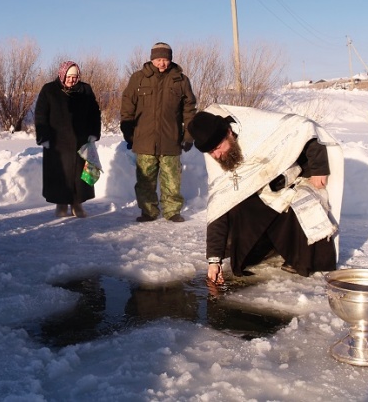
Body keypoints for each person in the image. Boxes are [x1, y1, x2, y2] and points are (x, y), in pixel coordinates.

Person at [186, 104, 344, 283]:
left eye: (218, 147)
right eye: (211, 152)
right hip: (258, 198)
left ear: (229, 132)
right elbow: (219, 207)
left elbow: (305, 129)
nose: (217, 155)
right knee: (237, 210)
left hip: (289, 183)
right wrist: (214, 260)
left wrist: (319, 169)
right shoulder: (217, 159)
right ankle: (264, 251)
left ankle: (297, 256)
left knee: (305, 209)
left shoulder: (258, 127)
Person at [120, 42, 197, 222]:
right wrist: (127, 130)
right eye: (158, 59)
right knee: (145, 178)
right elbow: (127, 106)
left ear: (170, 59)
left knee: (172, 179)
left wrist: (188, 135)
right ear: (152, 59)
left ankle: (172, 211)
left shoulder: (181, 80)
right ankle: (148, 211)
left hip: (171, 138)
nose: (162, 63)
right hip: (144, 139)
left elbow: (190, 109)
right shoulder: (138, 78)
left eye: (165, 59)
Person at [34, 61, 102, 218]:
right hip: (57, 143)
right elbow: (40, 114)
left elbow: (94, 113)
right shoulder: (49, 90)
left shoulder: (85, 90)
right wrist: (43, 136)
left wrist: (93, 133)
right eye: (69, 76)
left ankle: (77, 204)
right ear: (62, 74)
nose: (72, 80)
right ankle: (61, 204)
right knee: (60, 174)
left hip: (81, 141)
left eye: (75, 76)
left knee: (80, 176)